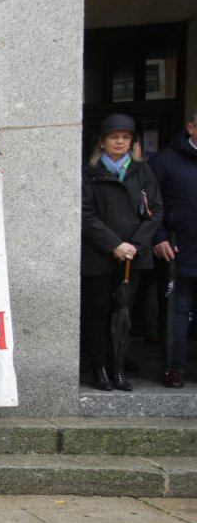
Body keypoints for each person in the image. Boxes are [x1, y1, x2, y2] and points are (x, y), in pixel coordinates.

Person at [81, 114, 162, 391]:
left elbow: (155, 212)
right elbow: (85, 214)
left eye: (125, 137)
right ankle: (99, 368)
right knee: (97, 312)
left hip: (131, 258)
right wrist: (113, 244)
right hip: (99, 255)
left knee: (123, 313)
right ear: (102, 142)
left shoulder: (143, 172)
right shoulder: (88, 173)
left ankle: (118, 367)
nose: (120, 142)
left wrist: (134, 246)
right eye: (114, 137)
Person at [149, 109, 197, 388]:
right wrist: (159, 236)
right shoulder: (166, 160)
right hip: (178, 251)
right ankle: (174, 368)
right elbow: (150, 204)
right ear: (191, 127)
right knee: (177, 313)